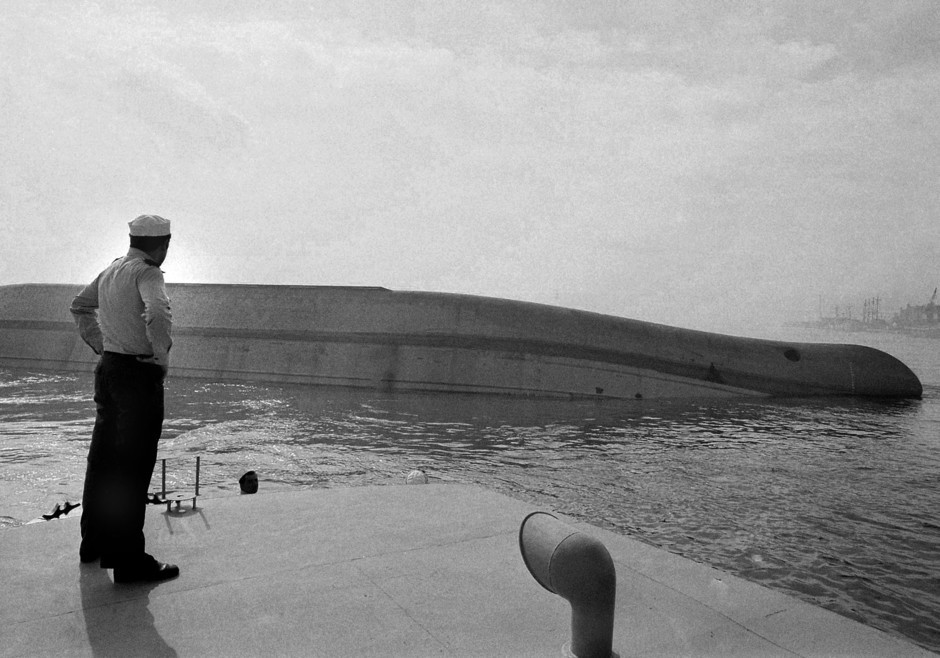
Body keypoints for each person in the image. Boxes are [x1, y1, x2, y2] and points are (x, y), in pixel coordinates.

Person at [70, 214, 179, 584]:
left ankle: (93, 543)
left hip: (109, 371)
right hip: (136, 376)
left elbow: (79, 305)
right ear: (163, 244)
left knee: (102, 460)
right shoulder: (148, 273)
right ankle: (128, 560)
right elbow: (158, 312)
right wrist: (160, 358)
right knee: (132, 466)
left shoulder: (112, 270)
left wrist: (101, 344)